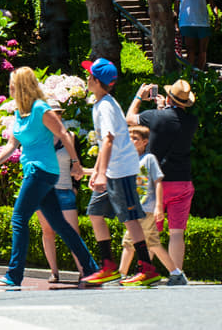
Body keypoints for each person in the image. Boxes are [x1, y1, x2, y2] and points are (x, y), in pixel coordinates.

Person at [0, 67, 97, 288]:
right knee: (59, 224)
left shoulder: (40, 108)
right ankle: (91, 269)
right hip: (35, 170)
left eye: (12, 84)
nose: (9, 88)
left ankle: (13, 275)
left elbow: (63, 134)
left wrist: (75, 163)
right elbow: (12, 144)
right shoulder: (21, 113)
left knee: (19, 218)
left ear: (21, 86)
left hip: (41, 170)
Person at [80, 58, 162, 287]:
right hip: (112, 169)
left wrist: (101, 173)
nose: (87, 79)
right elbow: (103, 142)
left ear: (96, 81)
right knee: (95, 213)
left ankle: (146, 268)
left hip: (121, 170)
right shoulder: (100, 104)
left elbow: (108, 139)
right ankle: (108, 267)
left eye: (89, 75)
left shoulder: (106, 106)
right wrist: (98, 171)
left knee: (130, 219)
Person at [126, 78, 198, 285]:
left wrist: (139, 97)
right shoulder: (191, 121)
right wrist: (163, 108)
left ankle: (146, 272)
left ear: (168, 97)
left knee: (150, 231)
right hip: (182, 181)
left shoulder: (154, 117)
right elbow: (171, 123)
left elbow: (129, 119)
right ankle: (176, 275)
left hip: (155, 182)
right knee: (177, 233)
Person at [118, 125, 176, 277]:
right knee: (153, 244)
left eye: (135, 138)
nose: (131, 141)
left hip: (145, 208)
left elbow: (158, 182)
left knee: (129, 241)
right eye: (129, 138)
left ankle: (121, 274)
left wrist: (158, 206)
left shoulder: (149, 159)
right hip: (133, 208)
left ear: (145, 142)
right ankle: (176, 273)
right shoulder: (127, 161)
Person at [36, 124, 85, 282]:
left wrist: (75, 188)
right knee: (48, 231)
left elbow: (78, 164)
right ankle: (54, 272)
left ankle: (84, 271)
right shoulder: (37, 136)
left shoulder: (70, 137)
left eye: (58, 113)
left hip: (64, 190)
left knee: (73, 233)